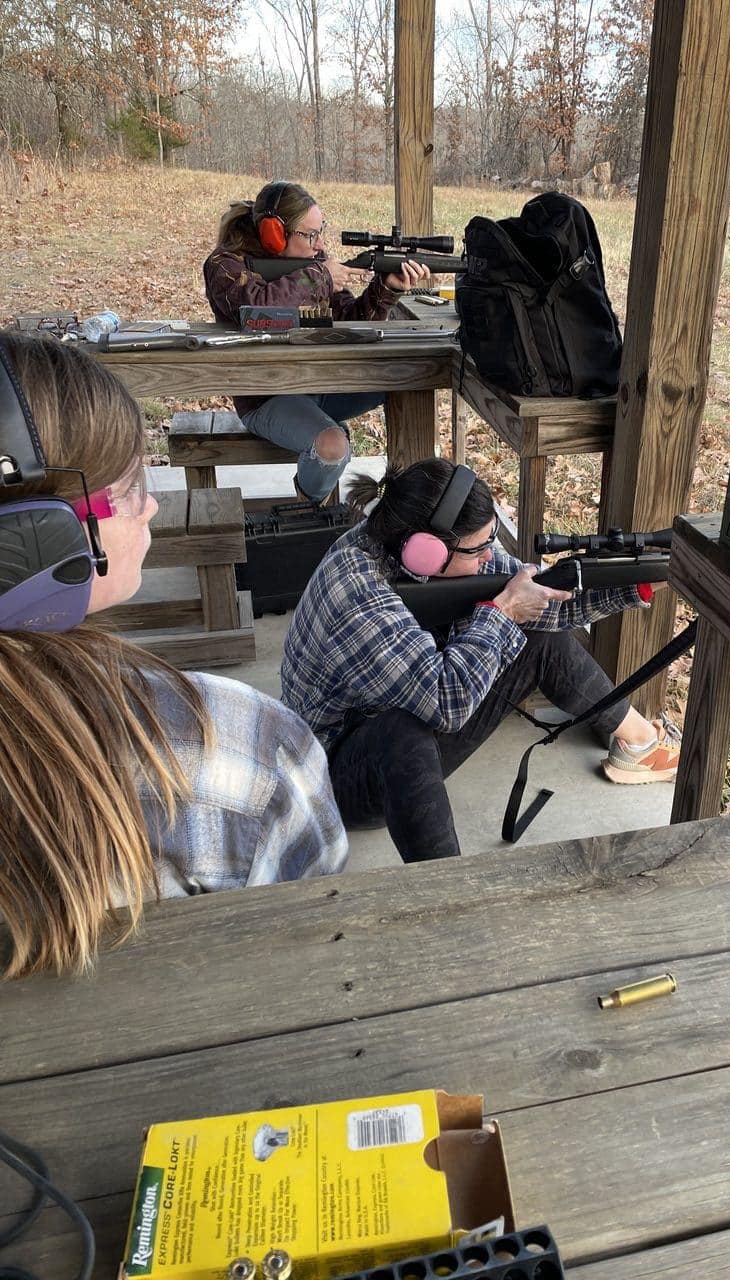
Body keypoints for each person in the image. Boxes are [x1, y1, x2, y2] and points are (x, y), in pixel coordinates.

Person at [0, 334, 348, 981]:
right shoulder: (233, 744)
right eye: (132, 486)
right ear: (37, 539)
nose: (152, 504)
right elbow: (314, 938)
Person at [281, 458, 681, 864]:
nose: (491, 557)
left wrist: (640, 580)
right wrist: (503, 612)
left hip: (394, 715)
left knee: (538, 638)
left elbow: (547, 599)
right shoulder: (356, 591)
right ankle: (454, 893)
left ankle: (640, 743)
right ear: (427, 551)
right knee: (401, 734)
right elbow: (446, 703)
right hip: (334, 773)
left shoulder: (403, 547)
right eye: (479, 548)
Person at [203, 180, 430, 502]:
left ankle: (411, 502)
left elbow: (353, 323)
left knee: (408, 374)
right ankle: (305, 515)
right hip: (266, 395)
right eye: (309, 235)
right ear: (273, 232)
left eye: (320, 231)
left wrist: (386, 290)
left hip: (323, 381)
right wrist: (319, 276)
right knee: (332, 446)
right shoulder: (225, 265)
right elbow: (254, 310)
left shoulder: (313, 260)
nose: (319, 244)